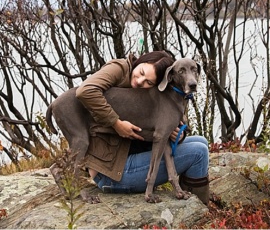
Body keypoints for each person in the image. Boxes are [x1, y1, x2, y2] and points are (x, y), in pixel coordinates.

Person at [75, 50, 210, 204]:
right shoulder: (117, 72)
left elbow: (161, 131)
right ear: (139, 62)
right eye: (141, 72)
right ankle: (199, 207)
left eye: (149, 83)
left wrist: (178, 134)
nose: (140, 81)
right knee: (199, 152)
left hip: (130, 156)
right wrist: (116, 123)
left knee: (201, 141)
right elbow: (84, 91)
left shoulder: (157, 97)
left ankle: (188, 196)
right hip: (113, 170)